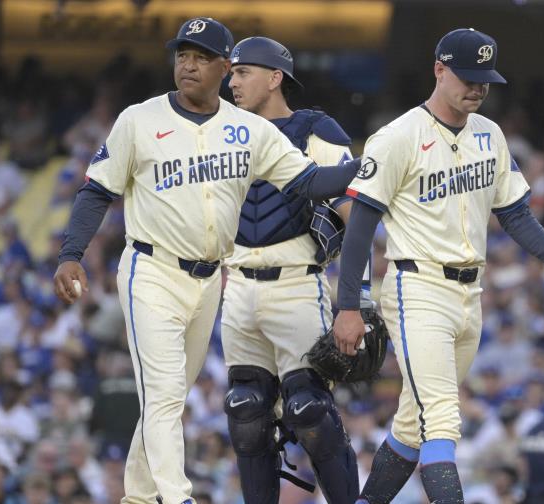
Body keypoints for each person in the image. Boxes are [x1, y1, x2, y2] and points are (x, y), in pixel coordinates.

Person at [52, 18, 360, 504]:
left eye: (200, 57)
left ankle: (138, 496)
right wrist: (72, 254)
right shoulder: (140, 118)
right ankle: (177, 497)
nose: (187, 65)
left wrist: (366, 170)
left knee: (167, 400)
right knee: (169, 392)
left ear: (224, 66)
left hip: (210, 280)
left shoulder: (248, 129)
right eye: (181, 55)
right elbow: (96, 191)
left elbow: (306, 183)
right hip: (151, 270)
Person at [331, 28, 544, 503]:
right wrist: (349, 305)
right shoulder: (398, 137)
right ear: (440, 69)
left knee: (413, 424)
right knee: (442, 418)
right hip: (417, 288)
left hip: (469, 293)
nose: (477, 88)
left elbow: (516, 215)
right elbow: (361, 227)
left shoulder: (489, 134)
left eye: (485, 80)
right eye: (468, 77)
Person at [222, 36, 363, 504]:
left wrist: (355, 297)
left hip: (297, 283)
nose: (232, 81)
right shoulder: (220, 130)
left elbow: (352, 209)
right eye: (232, 72)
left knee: (309, 411)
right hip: (238, 286)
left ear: (275, 77)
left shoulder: (313, 128)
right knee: (246, 410)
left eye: (243, 72)